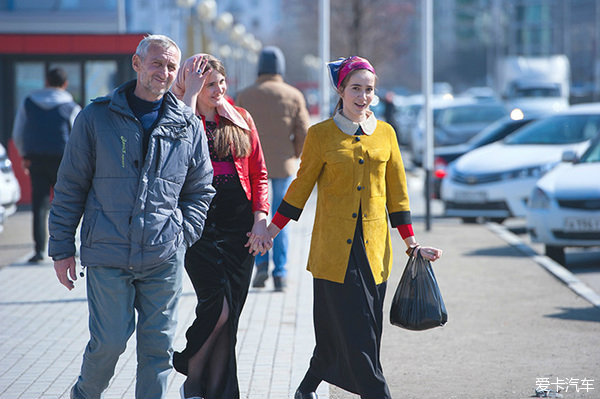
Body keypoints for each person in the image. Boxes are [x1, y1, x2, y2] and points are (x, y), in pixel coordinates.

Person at [264, 56, 443, 399]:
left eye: (369, 90)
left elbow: (398, 196)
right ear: (341, 90)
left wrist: (412, 244)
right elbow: (299, 188)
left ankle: (305, 390)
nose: (363, 97)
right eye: (356, 88)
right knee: (359, 336)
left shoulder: (386, 135)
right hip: (333, 254)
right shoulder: (320, 135)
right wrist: (271, 231)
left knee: (353, 336)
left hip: (375, 253)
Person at [48, 35, 216, 399]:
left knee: (157, 352)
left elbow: (200, 189)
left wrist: (181, 235)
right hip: (108, 254)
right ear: (137, 64)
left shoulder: (187, 124)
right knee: (108, 344)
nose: (165, 72)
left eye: (172, 66)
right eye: (157, 63)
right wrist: (62, 249)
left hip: (163, 256)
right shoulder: (96, 117)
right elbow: (70, 186)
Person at [170, 53, 270, 399]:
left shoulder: (241, 118)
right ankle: (191, 373)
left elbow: (259, 173)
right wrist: (187, 99)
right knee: (217, 308)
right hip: (198, 223)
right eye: (209, 84)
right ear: (191, 85)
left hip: (240, 226)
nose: (218, 89)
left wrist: (261, 218)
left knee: (231, 319)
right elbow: (169, 157)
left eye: (221, 82)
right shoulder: (178, 117)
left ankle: (214, 391)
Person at [236, 46, 310, 291]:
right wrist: (294, 155)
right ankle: (280, 273)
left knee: (257, 218)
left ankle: (261, 266)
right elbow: (304, 133)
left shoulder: (245, 95)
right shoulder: (294, 95)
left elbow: (236, 132)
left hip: (252, 168)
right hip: (282, 166)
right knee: (280, 220)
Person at [12, 67, 81, 263]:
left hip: (37, 160)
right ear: (65, 84)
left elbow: (18, 132)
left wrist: (24, 155)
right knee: (68, 205)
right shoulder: (71, 106)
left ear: (46, 82)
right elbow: (79, 138)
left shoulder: (29, 102)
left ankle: (39, 251)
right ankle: (70, 246)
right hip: (63, 162)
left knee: (39, 206)